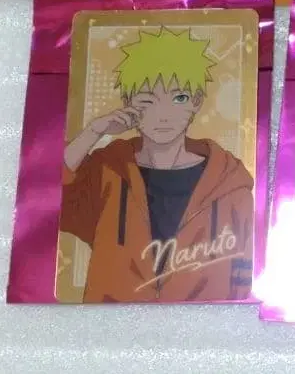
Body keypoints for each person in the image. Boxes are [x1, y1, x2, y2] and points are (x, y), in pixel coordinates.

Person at [59, 26, 254, 303]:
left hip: (201, 324)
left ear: (197, 102)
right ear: (128, 103)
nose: (164, 114)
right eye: (148, 99)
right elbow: (48, 201)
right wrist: (93, 131)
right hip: (111, 323)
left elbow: (244, 277)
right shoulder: (108, 172)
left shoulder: (230, 184)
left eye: (179, 98)